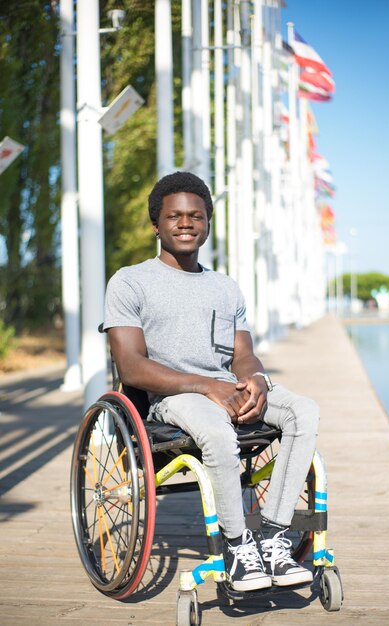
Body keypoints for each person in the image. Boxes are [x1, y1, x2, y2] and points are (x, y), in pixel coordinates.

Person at [104, 171, 319, 592]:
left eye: (196, 216)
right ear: (157, 225)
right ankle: (237, 547)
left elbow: (242, 354)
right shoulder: (130, 281)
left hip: (226, 388)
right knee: (216, 430)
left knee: (303, 410)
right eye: (175, 216)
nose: (186, 223)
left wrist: (254, 378)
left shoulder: (225, 287)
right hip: (173, 397)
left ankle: (272, 535)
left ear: (206, 224)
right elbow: (130, 366)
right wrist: (206, 386)